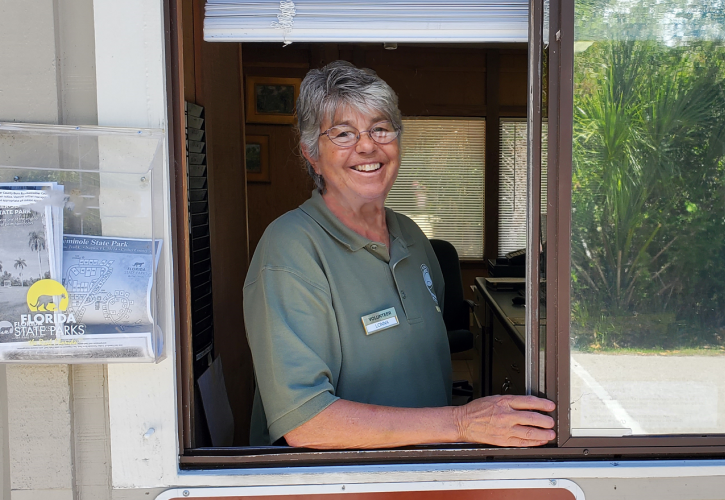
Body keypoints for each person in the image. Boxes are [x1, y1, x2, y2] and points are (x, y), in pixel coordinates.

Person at [243, 61, 556, 449]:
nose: (367, 145)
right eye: (342, 133)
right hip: (341, 486)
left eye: (381, 128)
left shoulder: (410, 235)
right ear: (311, 153)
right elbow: (307, 424)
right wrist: (462, 423)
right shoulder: (290, 250)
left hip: (421, 477)